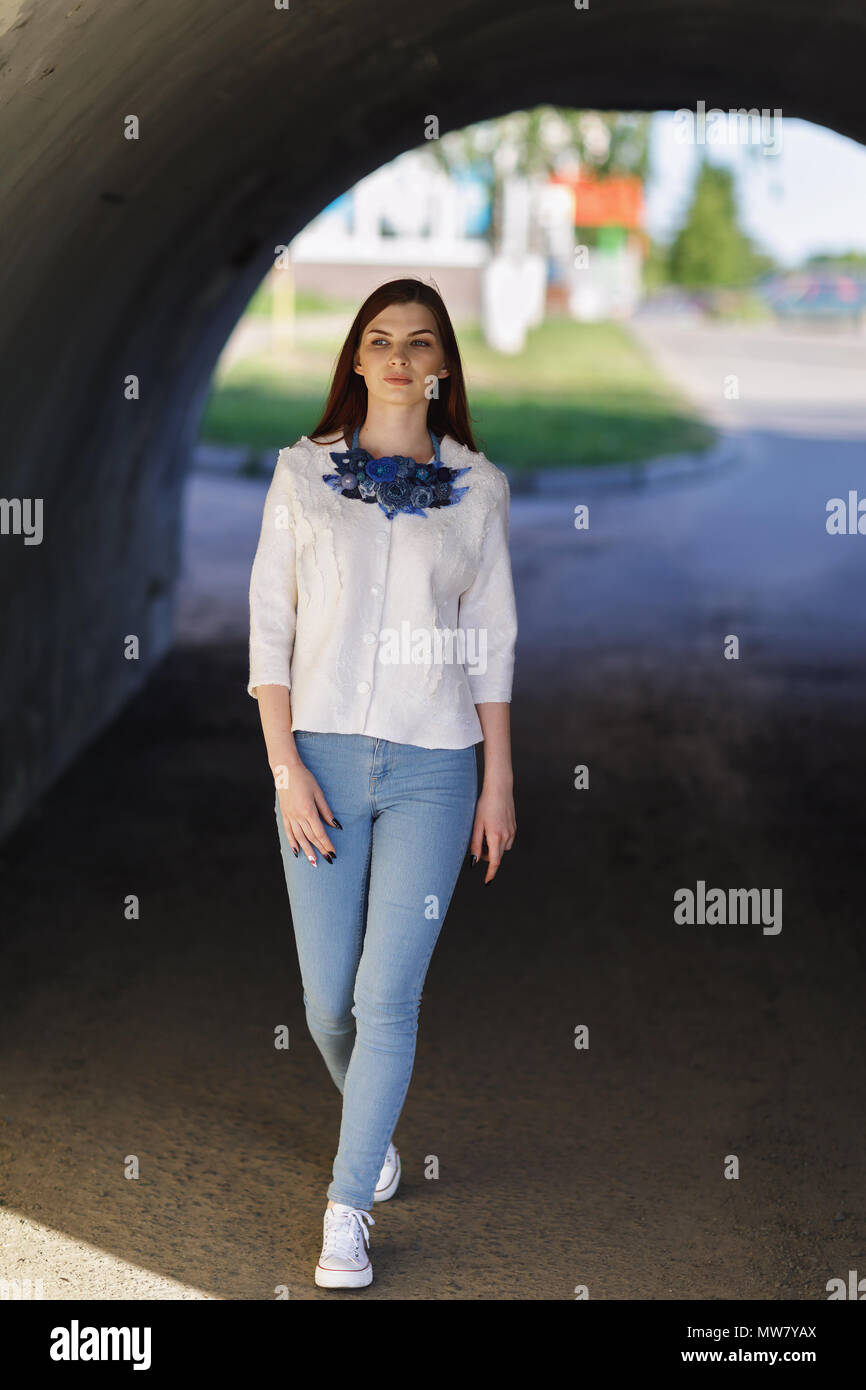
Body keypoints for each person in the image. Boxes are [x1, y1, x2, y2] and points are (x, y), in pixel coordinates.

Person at [247, 277, 518, 1289]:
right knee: (327, 1005)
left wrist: (496, 782)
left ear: (443, 362)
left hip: (433, 769)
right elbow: (268, 631)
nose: (400, 356)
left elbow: (489, 646)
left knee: (384, 994)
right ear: (355, 359)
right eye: (380, 340)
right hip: (313, 763)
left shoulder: (477, 488)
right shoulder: (299, 475)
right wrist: (283, 771)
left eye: (420, 341)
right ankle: (374, 1129)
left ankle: (346, 1203)